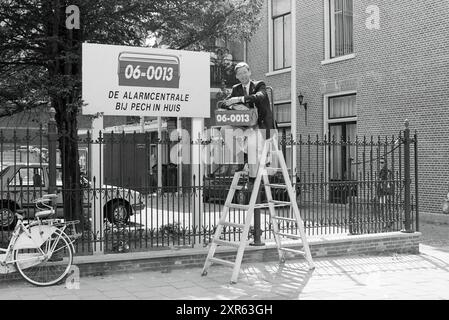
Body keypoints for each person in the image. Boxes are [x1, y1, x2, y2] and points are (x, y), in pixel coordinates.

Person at [217, 62, 276, 179]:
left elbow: (261, 96)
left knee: (251, 145)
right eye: (240, 73)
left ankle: (253, 178)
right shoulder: (236, 88)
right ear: (237, 77)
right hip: (243, 124)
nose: (243, 75)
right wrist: (233, 105)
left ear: (249, 72)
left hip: (260, 125)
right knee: (224, 130)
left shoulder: (259, 85)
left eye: (245, 72)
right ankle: (241, 157)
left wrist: (240, 99)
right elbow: (223, 103)